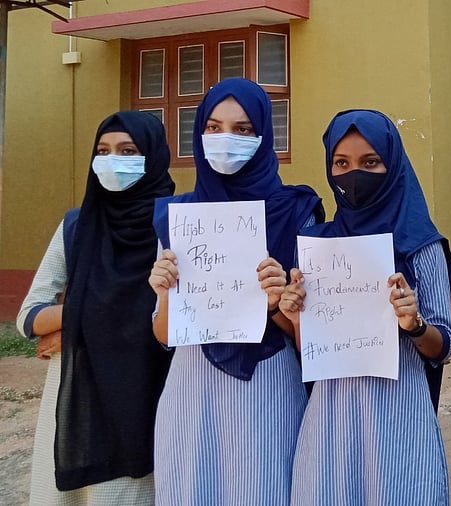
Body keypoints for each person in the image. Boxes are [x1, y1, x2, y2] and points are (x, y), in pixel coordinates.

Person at [147, 78, 324, 505]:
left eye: (243, 129)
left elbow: (314, 337)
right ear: (198, 134)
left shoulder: (298, 211)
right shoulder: (179, 218)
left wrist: (276, 305)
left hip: (267, 385)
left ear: (264, 136)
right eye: (213, 127)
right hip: (191, 390)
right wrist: (167, 292)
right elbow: (165, 334)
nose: (226, 138)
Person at [278, 109, 451, 504]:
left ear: (391, 165)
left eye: (370, 162)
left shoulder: (421, 244)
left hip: (399, 415)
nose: (353, 175)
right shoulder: (316, 246)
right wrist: (291, 315)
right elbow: (310, 346)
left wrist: (413, 324)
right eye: (342, 163)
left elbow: (443, 345)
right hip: (329, 417)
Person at [17, 111, 175, 505]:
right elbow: (28, 317)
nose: (112, 161)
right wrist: (91, 315)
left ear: (153, 157)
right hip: (81, 401)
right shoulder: (76, 226)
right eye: (103, 151)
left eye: (127, 151)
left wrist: (78, 320)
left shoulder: (176, 224)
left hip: (148, 397)